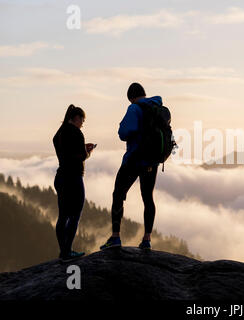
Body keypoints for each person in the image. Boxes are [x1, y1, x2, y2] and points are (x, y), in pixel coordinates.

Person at [100, 83, 163, 250]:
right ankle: (147, 240)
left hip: (134, 159)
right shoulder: (156, 106)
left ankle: (115, 238)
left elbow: (125, 133)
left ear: (130, 97)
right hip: (152, 162)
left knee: (118, 194)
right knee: (148, 198)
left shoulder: (134, 108)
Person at [53, 104, 95, 261]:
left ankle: (63, 251)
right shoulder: (77, 133)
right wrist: (87, 151)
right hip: (74, 178)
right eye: (82, 119)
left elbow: (65, 150)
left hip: (61, 176)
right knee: (75, 215)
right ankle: (67, 252)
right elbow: (80, 156)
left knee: (62, 216)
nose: (83, 123)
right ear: (75, 118)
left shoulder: (59, 133)